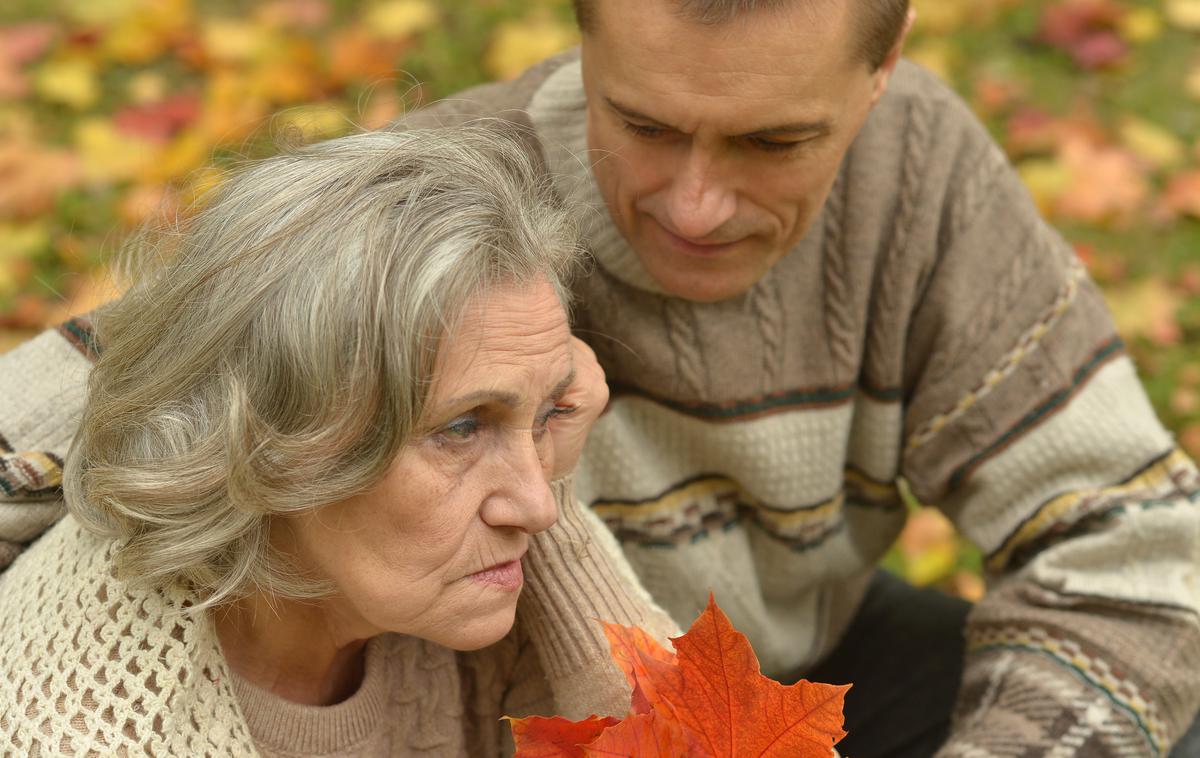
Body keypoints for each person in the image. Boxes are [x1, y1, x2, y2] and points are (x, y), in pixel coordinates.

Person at [1, 0, 1197, 755]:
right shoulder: (454, 200)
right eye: (645, 124)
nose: (694, 203)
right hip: (539, 696)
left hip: (785, 668)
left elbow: (1129, 547)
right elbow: (166, 377)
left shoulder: (922, 177)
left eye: (773, 142)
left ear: (878, 79)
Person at [0, 127, 680, 755]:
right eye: (462, 427)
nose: (540, 507)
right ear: (267, 441)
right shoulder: (88, 730)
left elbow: (690, 736)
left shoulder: (449, 593)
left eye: (546, 414)